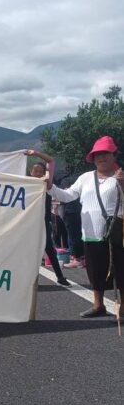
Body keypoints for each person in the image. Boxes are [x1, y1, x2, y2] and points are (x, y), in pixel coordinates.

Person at [47, 136, 124, 318]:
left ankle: (122, 310)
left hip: (117, 233)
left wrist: (122, 184)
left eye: (105, 154)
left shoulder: (120, 176)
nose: (101, 158)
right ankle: (99, 305)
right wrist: (51, 187)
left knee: (121, 271)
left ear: (114, 155)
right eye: (97, 155)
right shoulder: (86, 178)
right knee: (95, 271)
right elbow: (67, 196)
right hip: (90, 233)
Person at [25, 149, 71, 287]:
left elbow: (51, 161)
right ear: (31, 172)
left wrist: (35, 153)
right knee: (28, 251)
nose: (38, 173)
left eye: (40, 171)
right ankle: (30, 280)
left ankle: (60, 276)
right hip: (29, 223)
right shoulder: (27, 185)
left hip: (44, 221)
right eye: (35, 171)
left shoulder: (46, 184)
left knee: (50, 249)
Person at [57, 169, 84, 268]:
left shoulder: (65, 181)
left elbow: (63, 197)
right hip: (82, 210)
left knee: (72, 235)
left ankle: (76, 258)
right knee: (81, 234)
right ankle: (83, 258)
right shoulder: (81, 179)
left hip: (70, 211)